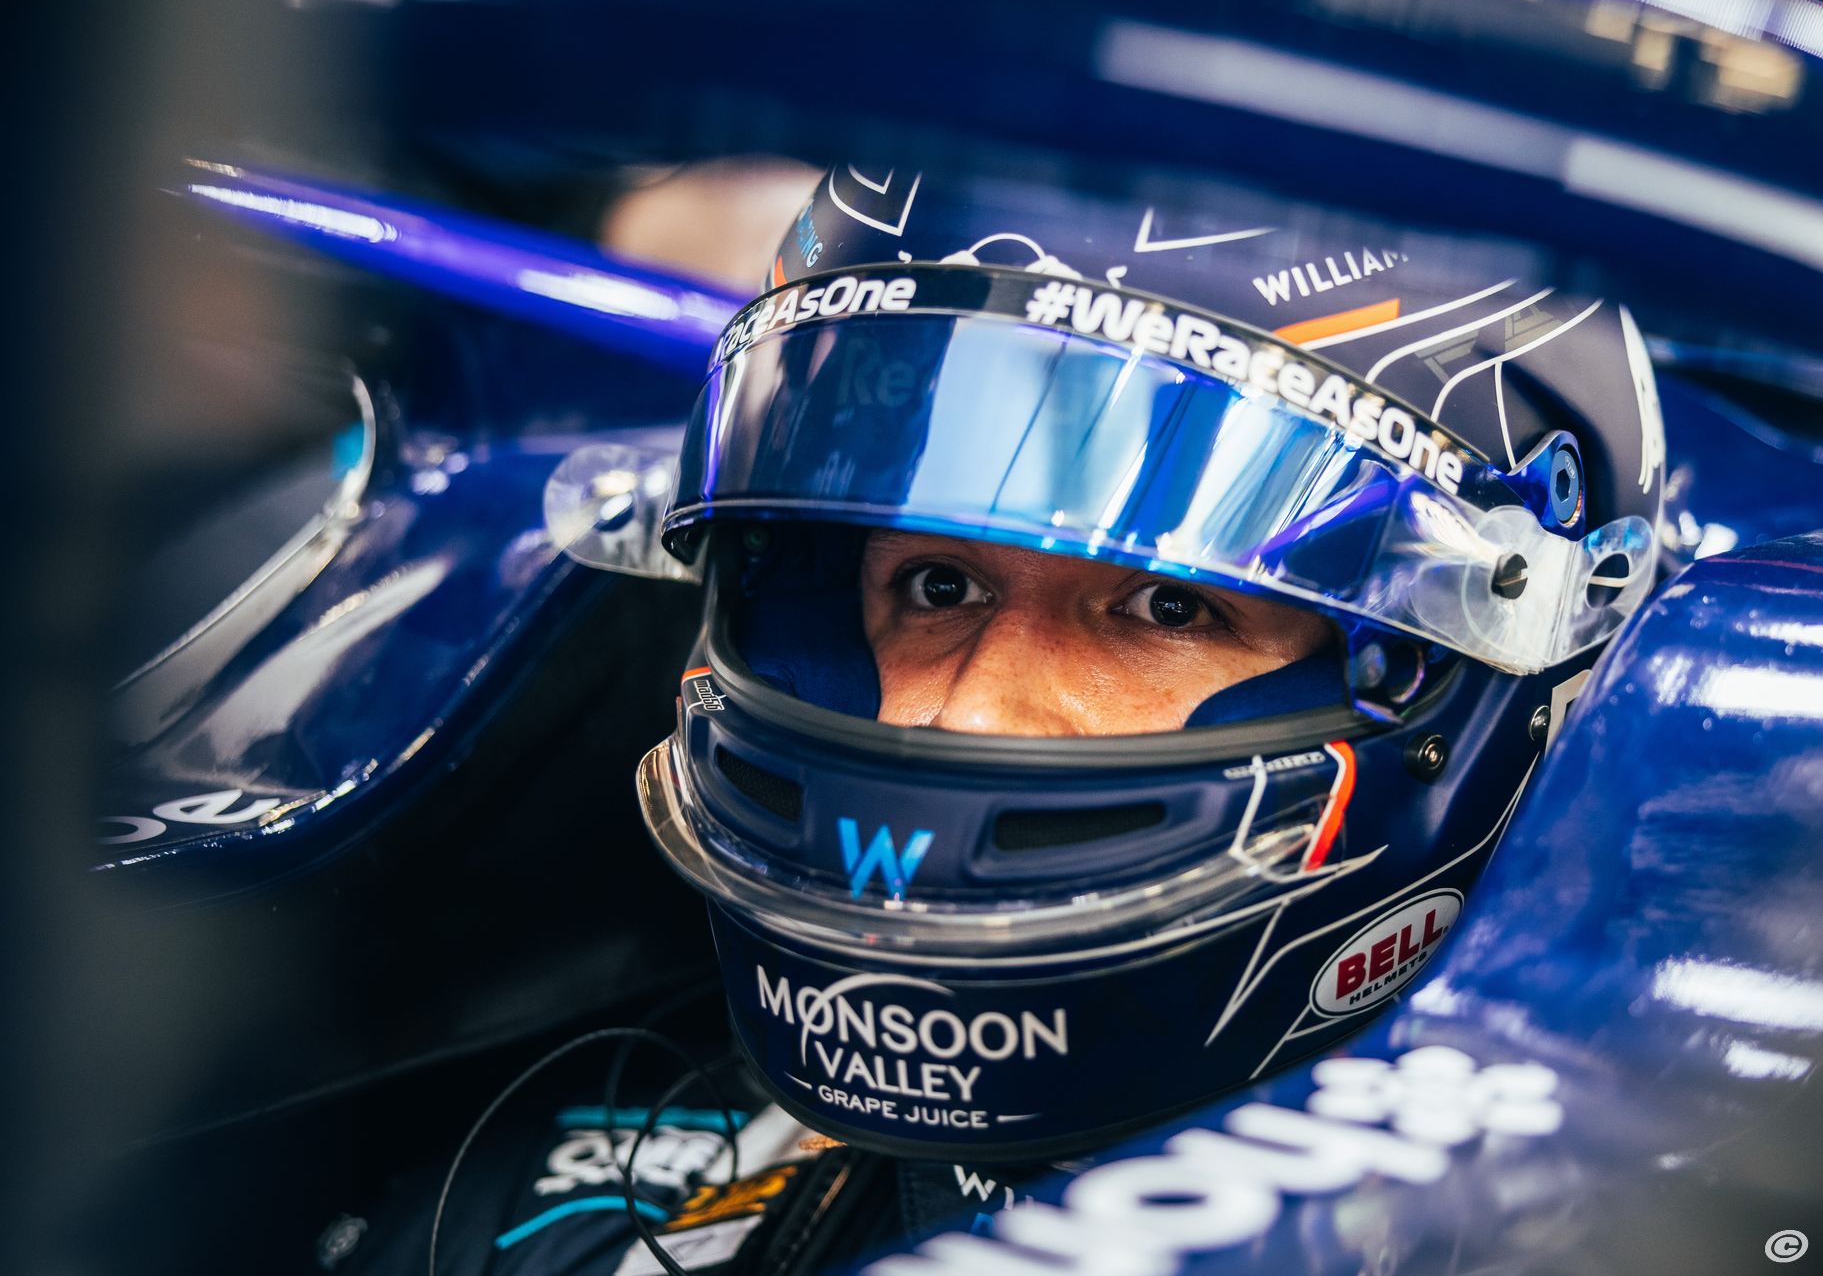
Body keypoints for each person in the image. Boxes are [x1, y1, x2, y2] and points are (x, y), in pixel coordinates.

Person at [323, 160, 1664, 1275]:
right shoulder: (534, 1214)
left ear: (1466, 663)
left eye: (1167, 607)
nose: (967, 711)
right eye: (938, 584)